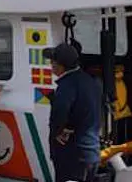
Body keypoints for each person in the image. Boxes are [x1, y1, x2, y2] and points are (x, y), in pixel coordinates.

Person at [42, 43, 101, 182]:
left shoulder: (67, 85)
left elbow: (60, 112)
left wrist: (59, 132)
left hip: (72, 156)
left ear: (61, 65)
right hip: (91, 152)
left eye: (52, 61)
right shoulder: (91, 81)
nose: (51, 64)